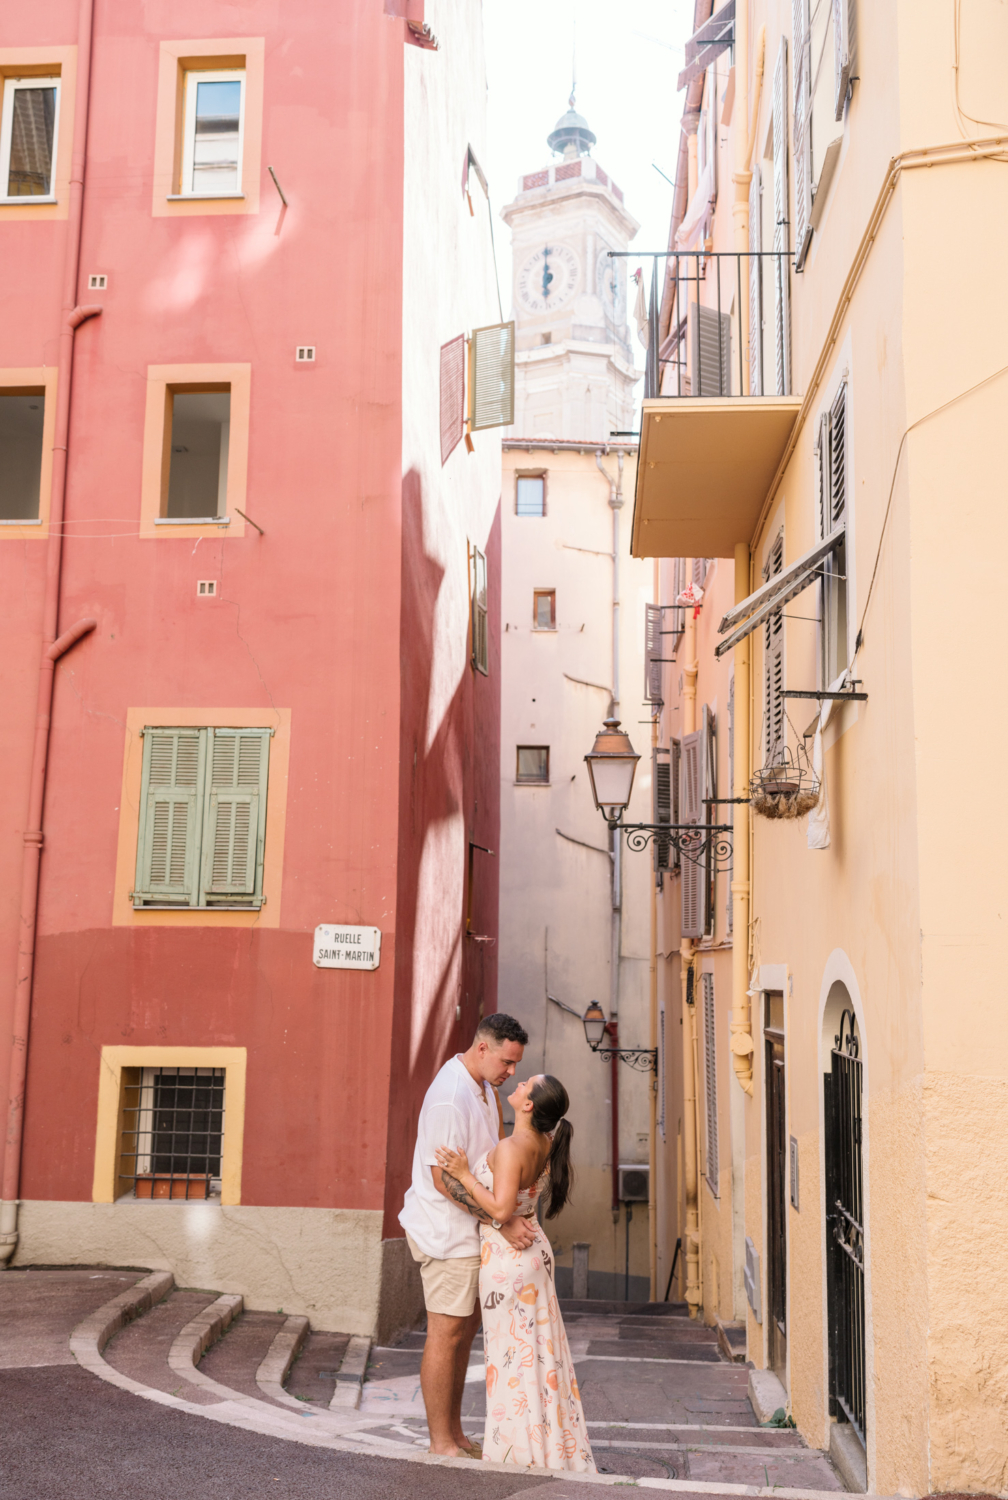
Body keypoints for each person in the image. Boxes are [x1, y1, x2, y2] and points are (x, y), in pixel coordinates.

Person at [435, 1074, 595, 1473]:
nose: (519, 1082)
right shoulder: (544, 1142)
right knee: (538, 1354)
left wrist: (462, 1171)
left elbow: (502, 1210)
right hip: (531, 1252)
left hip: (510, 1258)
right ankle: (541, 1449)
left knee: (511, 1359)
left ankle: (518, 1454)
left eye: (527, 1083)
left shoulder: (512, 1147)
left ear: (529, 1106)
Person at [399, 1014, 535, 1458]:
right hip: (445, 1235)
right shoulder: (450, 1097)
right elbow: (444, 1181)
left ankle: (455, 1435)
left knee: (463, 1333)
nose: (511, 1071)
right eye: (507, 1061)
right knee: (446, 1333)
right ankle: (441, 1443)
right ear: (482, 1048)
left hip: (471, 1232)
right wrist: (501, 1218)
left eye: (516, 1064)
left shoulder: (485, 1090)